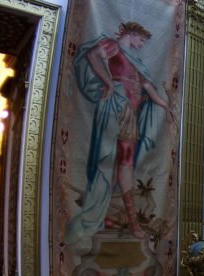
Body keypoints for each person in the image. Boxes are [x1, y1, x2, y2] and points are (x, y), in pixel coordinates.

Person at [65, 21, 174, 244]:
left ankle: (131, 222)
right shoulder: (113, 46)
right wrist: (108, 83)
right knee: (109, 160)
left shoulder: (135, 62)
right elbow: (93, 56)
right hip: (115, 108)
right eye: (141, 39)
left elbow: (148, 88)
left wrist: (167, 105)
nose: (141, 44)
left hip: (130, 115)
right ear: (131, 34)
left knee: (126, 163)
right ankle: (101, 215)